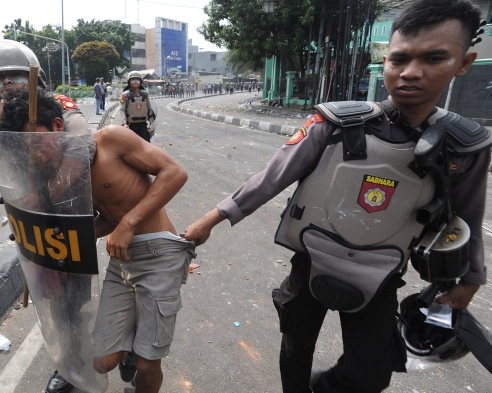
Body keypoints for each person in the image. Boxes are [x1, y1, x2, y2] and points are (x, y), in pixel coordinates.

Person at [184, 1, 489, 392]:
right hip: (312, 259)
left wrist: (471, 279)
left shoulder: (466, 145)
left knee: (371, 373)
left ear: (463, 63)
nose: (411, 72)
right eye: (399, 59)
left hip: (380, 272)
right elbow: (271, 178)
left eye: (434, 58)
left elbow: (466, 217)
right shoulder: (336, 124)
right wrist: (210, 220)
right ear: (386, 61)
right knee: (296, 350)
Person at [0, 88, 196, 393]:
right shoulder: (63, 175)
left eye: (38, 142)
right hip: (123, 261)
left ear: (58, 127)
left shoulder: (111, 139)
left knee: (146, 364)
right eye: (28, 149)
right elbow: (106, 219)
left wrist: (129, 222)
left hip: (159, 252)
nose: (35, 154)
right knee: (102, 359)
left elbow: (175, 172)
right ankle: (129, 343)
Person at [0, 39, 97, 393]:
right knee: (51, 302)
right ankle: (70, 365)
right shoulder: (2, 119)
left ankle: (78, 366)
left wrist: (42, 197)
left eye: (15, 77)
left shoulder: (57, 108)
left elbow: (84, 147)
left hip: (66, 219)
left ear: (32, 78)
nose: (7, 85)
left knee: (75, 299)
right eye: (0, 80)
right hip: (32, 229)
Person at [120, 71, 156, 143]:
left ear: (140, 81)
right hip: (130, 125)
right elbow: (122, 110)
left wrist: (152, 122)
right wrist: (124, 124)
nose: (135, 81)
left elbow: (149, 109)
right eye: (133, 79)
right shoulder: (125, 95)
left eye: (137, 79)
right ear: (129, 81)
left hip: (142, 124)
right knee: (130, 146)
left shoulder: (145, 94)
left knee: (146, 144)